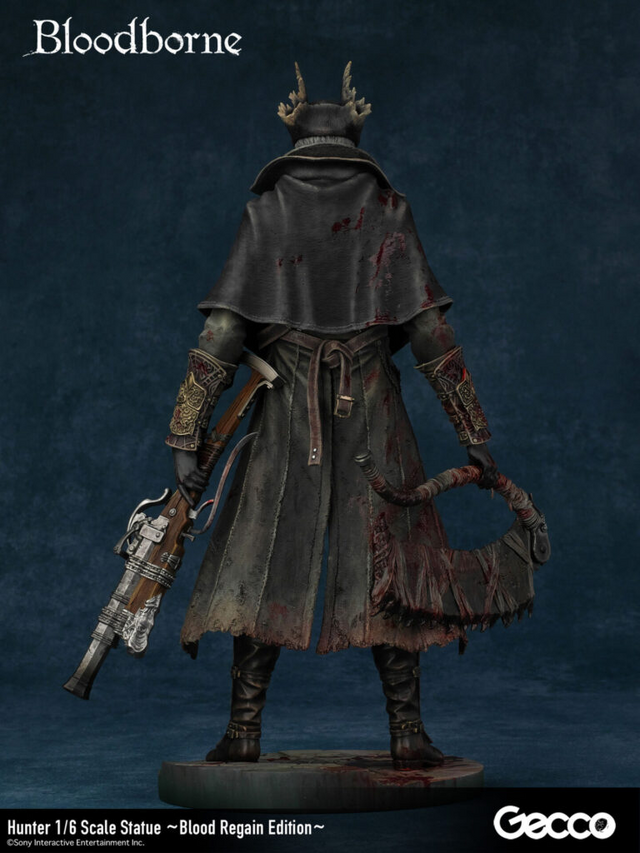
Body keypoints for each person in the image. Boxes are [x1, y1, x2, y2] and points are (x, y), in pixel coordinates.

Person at [166, 63, 498, 770]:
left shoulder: (267, 211)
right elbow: (431, 333)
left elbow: (221, 332)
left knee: (261, 555)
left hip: (285, 409)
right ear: (355, 137)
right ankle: (407, 733)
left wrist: (185, 435)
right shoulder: (388, 209)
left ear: (296, 141)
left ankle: (244, 731)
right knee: (391, 557)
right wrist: (473, 432)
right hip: (373, 403)